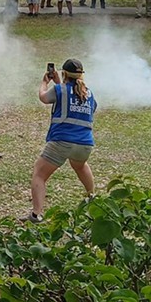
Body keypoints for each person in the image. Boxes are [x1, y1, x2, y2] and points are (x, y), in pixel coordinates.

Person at [23, 59, 96, 223]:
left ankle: (37, 214)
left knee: (39, 175)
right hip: (85, 144)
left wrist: (44, 82)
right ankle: (93, 197)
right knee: (80, 166)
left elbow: (44, 97)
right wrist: (58, 83)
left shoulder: (59, 89)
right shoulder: (89, 93)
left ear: (64, 73)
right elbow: (70, 99)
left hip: (62, 142)